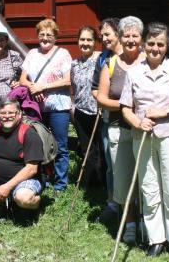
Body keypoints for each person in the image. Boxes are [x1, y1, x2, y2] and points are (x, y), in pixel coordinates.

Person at [120, 22, 169, 261]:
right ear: (144, 43)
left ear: (167, 45)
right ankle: (156, 239)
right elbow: (125, 108)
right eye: (151, 43)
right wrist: (137, 122)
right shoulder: (133, 72)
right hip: (142, 137)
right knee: (149, 189)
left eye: (160, 44)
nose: (155, 48)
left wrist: (162, 112)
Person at [97, 16, 144, 245]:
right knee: (124, 179)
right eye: (127, 35)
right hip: (119, 129)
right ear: (120, 37)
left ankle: (147, 221)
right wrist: (126, 106)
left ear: (141, 38)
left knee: (147, 178)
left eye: (135, 35)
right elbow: (102, 99)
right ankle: (131, 223)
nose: (131, 39)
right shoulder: (111, 64)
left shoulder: (150, 60)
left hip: (146, 129)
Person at [20, 18, 72, 195]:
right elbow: (22, 79)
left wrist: (43, 87)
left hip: (58, 108)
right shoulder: (32, 54)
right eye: (42, 34)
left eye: (49, 34)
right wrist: (33, 88)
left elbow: (67, 80)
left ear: (55, 36)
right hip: (37, 109)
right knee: (39, 145)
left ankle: (60, 185)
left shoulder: (63, 53)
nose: (45, 37)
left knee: (60, 145)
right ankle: (43, 179)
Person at [92, 17, 122, 222]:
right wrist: (106, 98)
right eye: (102, 35)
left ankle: (133, 205)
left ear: (118, 34)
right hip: (108, 119)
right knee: (112, 164)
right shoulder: (103, 58)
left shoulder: (134, 56)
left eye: (107, 34)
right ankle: (113, 204)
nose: (103, 39)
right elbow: (95, 90)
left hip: (135, 121)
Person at [71, 26, 102, 187]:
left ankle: (104, 181)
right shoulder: (74, 64)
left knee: (101, 148)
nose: (85, 43)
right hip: (81, 112)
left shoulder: (101, 60)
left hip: (99, 111)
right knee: (87, 148)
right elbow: (74, 88)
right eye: (82, 39)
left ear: (95, 42)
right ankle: (91, 182)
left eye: (89, 39)